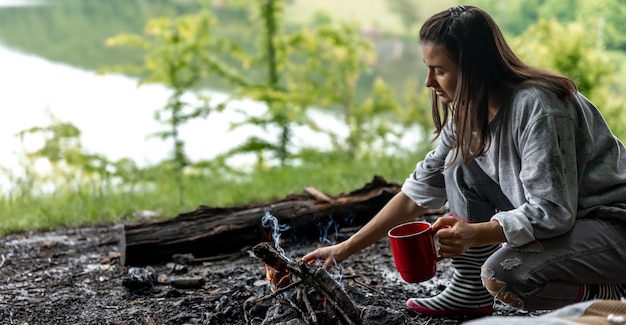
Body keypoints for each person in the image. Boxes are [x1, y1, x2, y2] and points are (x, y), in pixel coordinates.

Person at [302, 5, 626, 317]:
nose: (428, 82)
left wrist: (475, 233)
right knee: (456, 166)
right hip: (569, 221)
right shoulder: (469, 112)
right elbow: (416, 193)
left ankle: (605, 295)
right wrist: (343, 250)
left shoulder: (538, 107)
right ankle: (469, 290)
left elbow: (552, 212)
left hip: (610, 224)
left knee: (504, 275)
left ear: (474, 68)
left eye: (439, 70)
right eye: (427, 68)